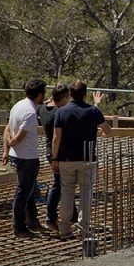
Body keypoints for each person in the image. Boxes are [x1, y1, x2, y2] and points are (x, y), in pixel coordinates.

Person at [51, 80, 112, 240]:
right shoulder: (92, 111)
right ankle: (83, 228)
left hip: (66, 159)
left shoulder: (61, 112)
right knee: (86, 193)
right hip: (87, 159)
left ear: (70, 94)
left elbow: (56, 138)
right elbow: (107, 130)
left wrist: (54, 158)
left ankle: (64, 229)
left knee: (67, 193)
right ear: (85, 94)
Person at [2, 79, 47, 238]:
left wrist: (6, 150)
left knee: (28, 191)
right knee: (23, 193)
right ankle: (19, 228)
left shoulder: (17, 106)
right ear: (40, 95)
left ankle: (32, 222)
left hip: (17, 157)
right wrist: (10, 143)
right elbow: (16, 138)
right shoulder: (30, 113)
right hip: (27, 158)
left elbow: (7, 129)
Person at [39, 83, 76, 231]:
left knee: (64, 184)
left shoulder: (42, 108)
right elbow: (57, 137)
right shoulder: (59, 113)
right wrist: (55, 158)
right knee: (59, 185)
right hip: (58, 153)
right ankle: (51, 217)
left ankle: (71, 216)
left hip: (52, 151)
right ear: (65, 97)